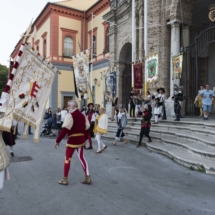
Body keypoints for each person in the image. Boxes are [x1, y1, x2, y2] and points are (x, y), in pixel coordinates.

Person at [55, 100, 91, 186]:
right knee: (82, 158)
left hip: (72, 140)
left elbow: (65, 130)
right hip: (81, 140)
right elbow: (87, 127)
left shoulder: (70, 115)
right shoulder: (83, 115)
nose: (67, 107)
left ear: (73, 106)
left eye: (68, 105)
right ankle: (87, 177)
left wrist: (57, 140)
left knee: (67, 159)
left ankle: (65, 179)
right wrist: (84, 138)